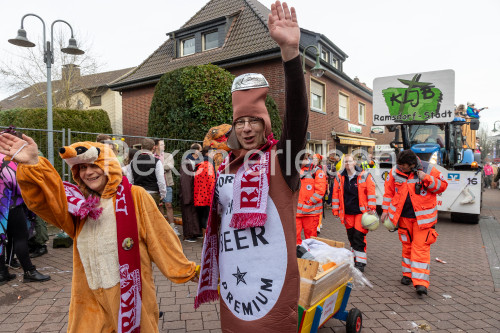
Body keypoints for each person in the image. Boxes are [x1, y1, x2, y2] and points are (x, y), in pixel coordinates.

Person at [0, 135, 198, 332]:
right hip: (88, 300)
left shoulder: (135, 196)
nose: (88, 172)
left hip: (127, 296)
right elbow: (44, 202)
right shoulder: (79, 205)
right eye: (83, 168)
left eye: (94, 165)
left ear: (108, 165)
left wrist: (189, 271)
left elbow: (161, 239)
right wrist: (33, 164)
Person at [195, 2, 307, 331]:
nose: (245, 128)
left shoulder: (282, 160)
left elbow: (298, 118)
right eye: (239, 121)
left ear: (265, 125)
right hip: (235, 287)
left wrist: (289, 52)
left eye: (253, 121)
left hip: (272, 291)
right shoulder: (226, 167)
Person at [380, 150, 448, 296]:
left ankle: (421, 284)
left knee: (420, 249)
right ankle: (407, 275)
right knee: (407, 247)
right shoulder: (395, 171)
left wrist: (427, 178)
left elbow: (442, 186)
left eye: (404, 167)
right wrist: (385, 210)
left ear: (412, 165)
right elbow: (389, 192)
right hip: (403, 218)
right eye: (400, 166)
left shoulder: (429, 169)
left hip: (423, 221)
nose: (401, 169)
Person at [0, 151, 50, 284]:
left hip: (2, 206)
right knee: (20, 238)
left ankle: (2, 272)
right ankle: (29, 271)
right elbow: (14, 182)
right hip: (11, 204)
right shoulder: (5, 159)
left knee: (1, 239)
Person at [331, 154, 376, 272]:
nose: (347, 164)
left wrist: (372, 207)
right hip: (347, 212)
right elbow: (335, 195)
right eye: (345, 162)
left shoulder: (364, 175)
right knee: (351, 236)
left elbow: (371, 192)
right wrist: (335, 210)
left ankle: (360, 263)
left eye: (350, 162)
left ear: (355, 163)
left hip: (361, 212)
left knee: (358, 236)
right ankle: (354, 257)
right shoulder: (339, 177)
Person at [128, 138, 167, 211]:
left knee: (139, 218)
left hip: (137, 194)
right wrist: (163, 194)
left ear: (142, 148)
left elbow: (130, 180)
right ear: (153, 148)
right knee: (151, 219)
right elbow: (161, 180)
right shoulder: (157, 162)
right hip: (152, 194)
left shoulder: (133, 162)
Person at [296, 153, 327, 244]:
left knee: (311, 240)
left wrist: (309, 202)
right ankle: (296, 256)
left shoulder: (317, 171)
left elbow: (320, 191)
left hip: (311, 213)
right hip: (297, 213)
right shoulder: (295, 171)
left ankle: (311, 257)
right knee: (295, 238)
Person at [153, 139, 179, 236]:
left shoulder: (168, 155)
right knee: (159, 206)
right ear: (156, 146)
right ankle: (162, 226)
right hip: (156, 185)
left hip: (167, 184)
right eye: (162, 144)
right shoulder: (152, 156)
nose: (164, 146)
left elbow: (170, 166)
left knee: (168, 204)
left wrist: (158, 167)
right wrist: (161, 167)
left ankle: (172, 226)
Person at [180, 143, 202, 242]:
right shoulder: (186, 162)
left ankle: (195, 232)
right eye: (200, 151)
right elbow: (185, 180)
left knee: (194, 213)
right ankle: (189, 234)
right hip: (188, 192)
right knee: (189, 213)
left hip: (195, 191)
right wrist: (187, 195)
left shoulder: (196, 161)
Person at [194, 147, 216, 236]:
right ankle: (206, 239)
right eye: (213, 152)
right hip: (207, 195)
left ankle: (204, 237)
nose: (214, 154)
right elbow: (211, 181)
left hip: (199, 195)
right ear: (207, 153)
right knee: (207, 217)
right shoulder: (209, 164)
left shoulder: (200, 164)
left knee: (203, 216)